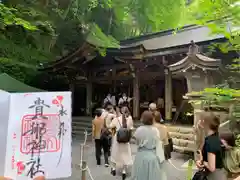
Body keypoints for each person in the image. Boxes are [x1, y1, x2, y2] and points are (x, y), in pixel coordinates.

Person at [132, 111, 165, 180]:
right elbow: (158, 141)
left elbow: (136, 141)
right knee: (152, 176)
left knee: (140, 175)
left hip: (141, 155)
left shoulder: (139, 129)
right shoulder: (156, 130)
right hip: (152, 155)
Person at [196, 111, 227, 180]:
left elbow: (211, 167)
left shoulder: (210, 142)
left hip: (213, 176)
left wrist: (203, 162)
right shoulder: (215, 137)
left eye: (200, 119)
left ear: (204, 122)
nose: (199, 121)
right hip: (220, 174)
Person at [109, 106, 133, 180]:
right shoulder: (130, 119)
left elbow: (111, 127)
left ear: (121, 111)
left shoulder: (116, 119)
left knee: (115, 154)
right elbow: (131, 128)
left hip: (117, 139)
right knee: (125, 155)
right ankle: (124, 171)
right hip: (125, 140)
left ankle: (113, 169)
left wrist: (113, 135)